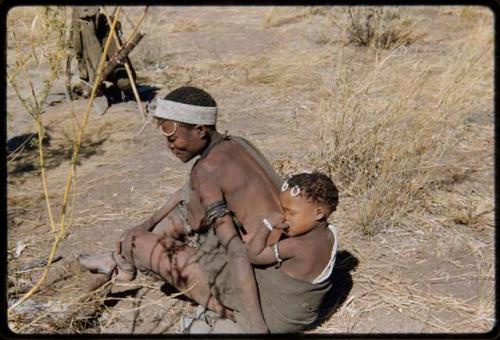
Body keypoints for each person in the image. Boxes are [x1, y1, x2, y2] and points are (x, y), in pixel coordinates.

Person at [78, 86, 282, 333]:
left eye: (173, 139)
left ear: (200, 130)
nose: (170, 146)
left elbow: (199, 224)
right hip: (276, 263)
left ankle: (124, 258)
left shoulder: (205, 170)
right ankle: (119, 260)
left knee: (134, 241)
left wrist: (257, 326)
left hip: (261, 287)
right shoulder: (236, 145)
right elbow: (188, 193)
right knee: (164, 222)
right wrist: (148, 223)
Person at [246, 172, 340, 333]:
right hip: (304, 314)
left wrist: (267, 225)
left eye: (291, 212)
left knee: (236, 260)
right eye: (283, 210)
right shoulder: (331, 234)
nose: (284, 217)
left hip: (279, 318)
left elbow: (253, 256)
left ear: (318, 214)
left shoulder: (296, 246)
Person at [70, 6, 135, 104]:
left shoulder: (106, 24)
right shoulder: (82, 24)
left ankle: (107, 85)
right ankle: (95, 85)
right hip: (83, 19)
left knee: (124, 83)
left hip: (114, 68)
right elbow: (78, 48)